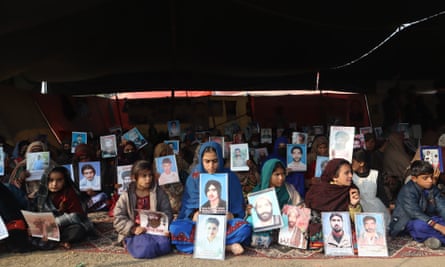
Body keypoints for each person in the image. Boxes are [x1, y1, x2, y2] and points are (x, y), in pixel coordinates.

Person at [170, 141, 251, 255]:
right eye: (207, 161)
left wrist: (232, 215)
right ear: (201, 160)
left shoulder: (230, 176)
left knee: (244, 228)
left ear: (220, 160)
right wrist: (194, 214)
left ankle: (203, 245)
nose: (211, 166)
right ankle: (227, 247)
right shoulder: (195, 176)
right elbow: (189, 203)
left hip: (224, 223)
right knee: (175, 229)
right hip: (200, 224)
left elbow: (237, 206)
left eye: (215, 161)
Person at [113, 160, 172, 259]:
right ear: (134, 178)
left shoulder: (158, 192)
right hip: (136, 231)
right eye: (144, 176)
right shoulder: (126, 195)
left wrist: (163, 227)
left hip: (155, 229)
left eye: (150, 175)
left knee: (164, 245)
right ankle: (129, 243)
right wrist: (132, 228)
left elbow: (167, 212)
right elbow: (118, 217)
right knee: (147, 248)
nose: (148, 179)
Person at [32, 166, 94, 250]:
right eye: (51, 180)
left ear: (65, 181)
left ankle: (57, 240)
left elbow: (77, 216)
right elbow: (34, 213)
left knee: (78, 230)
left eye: (59, 180)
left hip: (65, 226)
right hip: (46, 227)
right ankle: (55, 240)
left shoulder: (69, 193)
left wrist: (55, 223)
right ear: (45, 180)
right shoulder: (41, 195)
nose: (54, 184)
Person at [305, 158, 361, 249]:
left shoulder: (351, 190)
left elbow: (356, 221)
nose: (351, 175)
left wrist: (353, 205)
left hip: (343, 230)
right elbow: (309, 214)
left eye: (351, 172)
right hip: (320, 230)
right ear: (334, 176)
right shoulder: (317, 190)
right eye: (346, 173)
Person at [247, 158, 302, 247]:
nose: (281, 178)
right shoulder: (257, 191)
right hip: (266, 223)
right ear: (268, 175)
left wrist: (296, 209)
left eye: (283, 174)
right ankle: (268, 237)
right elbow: (252, 214)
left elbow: (299, 206)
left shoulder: (289, 189)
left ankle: (276, 237)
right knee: (249, 221)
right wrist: (249, 211)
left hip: (284, 224)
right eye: (277, 174)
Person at [390, 160, 445, 249]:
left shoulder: (432, 188)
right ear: (414, 178)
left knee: (440, 221)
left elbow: (442, 206)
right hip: (408, 221)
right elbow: (415, 213)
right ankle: (438, 238)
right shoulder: (407, 190)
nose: (430, 180)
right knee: (419, 226)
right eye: (425, 178)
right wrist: (437, 226)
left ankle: (431, 239)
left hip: (429, 218)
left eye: (431, 177)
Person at [352, 149, 391, 228]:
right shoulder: (351, 176)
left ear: (361, 163)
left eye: (352, 162)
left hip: (376, 207)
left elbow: (381, 192)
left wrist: (387, 206)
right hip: (360, 207)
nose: (350, 164)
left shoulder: (375, 174)